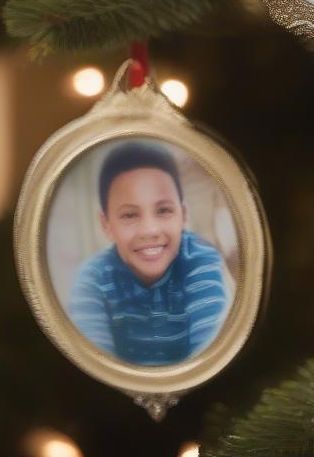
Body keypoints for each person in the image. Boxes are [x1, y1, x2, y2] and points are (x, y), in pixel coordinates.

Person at [67, 140, 228, 366]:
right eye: (130, 215)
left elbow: (211, 353)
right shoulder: (93, 279)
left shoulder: (200, 261)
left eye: (163, 210)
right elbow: (93, 364)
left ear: (183, 214)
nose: (150, 230)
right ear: (106, 225)